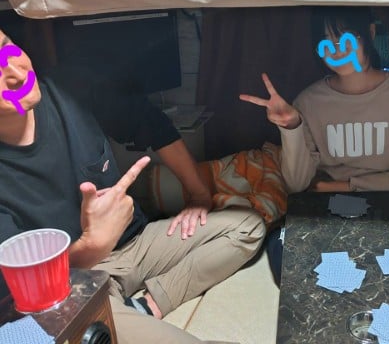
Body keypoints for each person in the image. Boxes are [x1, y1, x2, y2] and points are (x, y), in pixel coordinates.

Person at [0, 29, 266, 344]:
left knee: (248, 225)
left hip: (137, 243)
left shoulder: (70, 88)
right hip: (75, 283)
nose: (17, 73)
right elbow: (20, 291)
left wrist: (199, 195)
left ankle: (149, 304)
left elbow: (150, 124)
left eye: (7, 48)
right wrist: (93, 245)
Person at [240, 6, 389, 285]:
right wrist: (291, 127)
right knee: (299, 271)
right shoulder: (309, 101)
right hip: (326, 209)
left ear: (370, 33)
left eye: (345, 39)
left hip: (387, 207)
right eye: (326, 43)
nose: (336, 50)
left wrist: (342, 185)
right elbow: (297, 184)